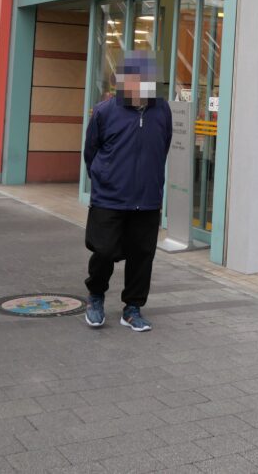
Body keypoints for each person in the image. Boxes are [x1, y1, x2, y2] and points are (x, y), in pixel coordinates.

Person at [81, 51, 172, 331]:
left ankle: (132, 308)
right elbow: (91, 152)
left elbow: (163, 146)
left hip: (146, 199)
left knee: (142, 256)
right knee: (104, 251)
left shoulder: (163, 110)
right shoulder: (105, 112)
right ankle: (96, 296)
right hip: (110, 197)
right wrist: (103, 179)